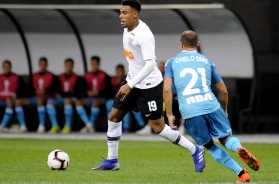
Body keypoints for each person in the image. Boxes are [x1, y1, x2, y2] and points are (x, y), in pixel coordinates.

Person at [92, 0, 205, 172]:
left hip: (149, 86)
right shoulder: (126, 29)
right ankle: (112, 160)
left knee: (158, 127)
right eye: (120, 12)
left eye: (125, 13)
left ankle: (195, 150)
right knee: (114, 116)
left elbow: (151, 65)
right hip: (133, 81)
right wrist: (130, 82)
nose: (121, 16)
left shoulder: (144, 35)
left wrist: (130, 84)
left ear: (135, 14)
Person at [163, 30, 260, 183]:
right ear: (198, 44)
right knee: (226, 138)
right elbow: (223, 91)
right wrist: (224, 110)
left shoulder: (171, 62)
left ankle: (241, 173)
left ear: (180, 44)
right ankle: (238, 148)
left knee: (209, 145)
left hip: (190, 111)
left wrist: (169, 114)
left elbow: (167, 89)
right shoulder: (207, 61)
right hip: (211, 105)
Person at [15, 57, 60, 133]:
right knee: (18, 102)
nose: (42, 66)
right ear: (39, 65)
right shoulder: (34, 76)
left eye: (44, 64)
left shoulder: (52, 76)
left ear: (47, 65)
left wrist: (45, 91)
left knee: (40, 101)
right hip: (34, 98)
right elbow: (28, 89)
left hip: (47, 98)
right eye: (41, 64)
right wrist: (34, 91)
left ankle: (42, 125)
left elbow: (55, 88)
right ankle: (23, 126)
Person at [75, 56, 114, 133]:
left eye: (95, 64)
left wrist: (98, 93)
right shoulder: (86, 75)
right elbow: (81, 89)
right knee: (78, 103)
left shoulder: (104, 75)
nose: (94, 65)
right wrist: (87, 92)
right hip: (89, 99)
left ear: (99, 64)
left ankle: (89, 125)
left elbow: (109, 91)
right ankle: (89, 125)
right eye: (92, 64)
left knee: (95, 103)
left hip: (101, 98)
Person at [46, 58, 84, 133]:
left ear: (73, 66)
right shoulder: (59, 77)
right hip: (61, 99)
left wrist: (67, 94)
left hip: (72, 99)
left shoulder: (77, 78)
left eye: (70, 65)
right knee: (50, 102)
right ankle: (55, 125)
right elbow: (56, 91)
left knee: (67, 101)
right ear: (65, 65)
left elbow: (78, 93)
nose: (69, 67)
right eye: (67, 65)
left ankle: (67, 126)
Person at [107, 64, 145, 132]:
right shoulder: (113, 81)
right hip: (117, 100)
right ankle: (112, 126)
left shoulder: (128, 79)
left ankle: (141, 126)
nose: (119, 73)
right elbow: (109, 93)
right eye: (118, 71)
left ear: (124, 71)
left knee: (130, 108)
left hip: (130, 99)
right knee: (110, 105)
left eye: (121, 71)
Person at [0, 60, 27, 132]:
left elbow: (22, 91)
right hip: (1, 100)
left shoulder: (17, 77)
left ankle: (23, 126)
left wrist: (16, 95)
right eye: (5, 67)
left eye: (8, 67)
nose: (6, 68)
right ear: (2, 67)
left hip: (11, 100)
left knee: (15, 103)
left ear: (11, 67)